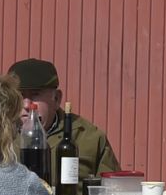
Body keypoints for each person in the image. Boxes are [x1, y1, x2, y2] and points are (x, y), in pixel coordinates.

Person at [7, 58, 120, 187]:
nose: (26, 105)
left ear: (56, 99)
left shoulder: (88, 138)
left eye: (35, 95)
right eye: (19, 96)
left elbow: (114, 193)